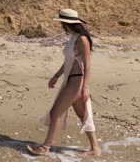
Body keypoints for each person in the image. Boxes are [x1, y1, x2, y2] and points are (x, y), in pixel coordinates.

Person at [27, 9, 101, 157]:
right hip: (70, 80)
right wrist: (56, 76)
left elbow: (88, 65)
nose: (61, 26)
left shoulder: (82, 39)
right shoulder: (74, 37)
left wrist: (85, 88)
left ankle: (45, 147)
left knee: (56, 112)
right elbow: (68, 61)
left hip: (76, 82)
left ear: (67, 24)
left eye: (62, 23)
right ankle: (95, 148)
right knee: (82, 115)